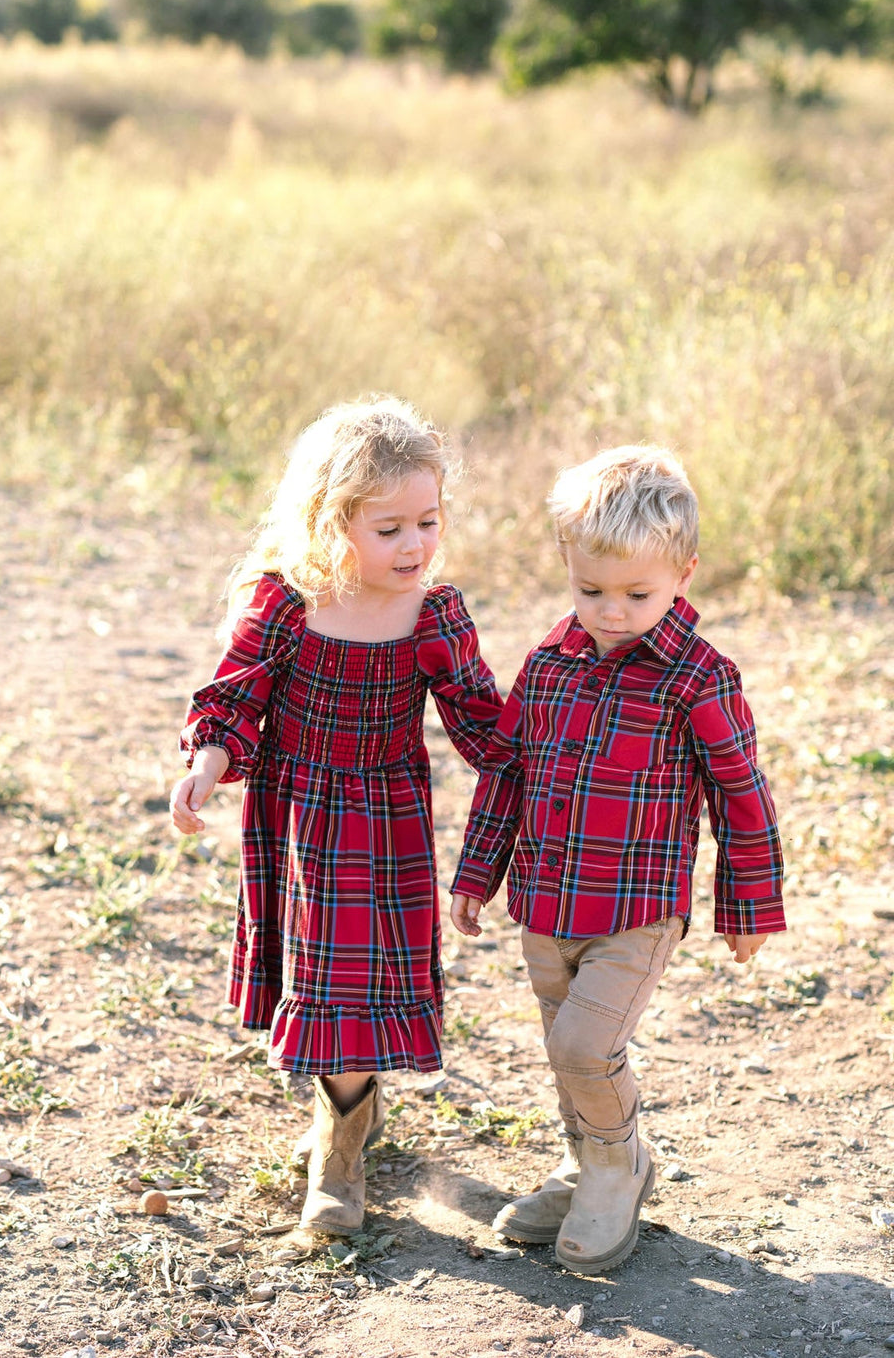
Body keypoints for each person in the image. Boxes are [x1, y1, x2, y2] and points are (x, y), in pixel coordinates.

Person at [450, 445, 785, 1275]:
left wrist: (747, 909)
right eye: (590, 590)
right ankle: (583, 1160)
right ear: (567, 564)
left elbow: (740, 795)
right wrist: (476, 874)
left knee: (585, 1047)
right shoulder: (549, 667)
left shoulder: (699, 680)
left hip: (637, 909)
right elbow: (507, 772)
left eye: (638, 593)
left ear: (683, 572)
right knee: (563, 1042)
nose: (613, 611)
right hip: (547, 898)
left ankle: (618, 1167)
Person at [170, 397, 502, 1237]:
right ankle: (343, 1131)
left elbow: (483, 726)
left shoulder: (433, 614)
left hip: (385, 822)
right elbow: (235, 697)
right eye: (388, 529)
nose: (415, 545)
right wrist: (209, 762)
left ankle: (341, 1143)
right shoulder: (289, 603)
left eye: (427, 522)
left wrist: (550, 771)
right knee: (322, 985)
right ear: (331, 521)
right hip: (298, 818)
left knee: (347, 987)